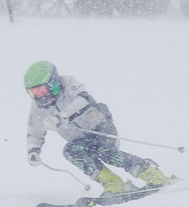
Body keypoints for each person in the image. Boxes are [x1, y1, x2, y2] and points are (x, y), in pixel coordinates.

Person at [24, 61, 174, 195]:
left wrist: (61, 117)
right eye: (33, 92)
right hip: (80, 138)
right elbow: (34, 131)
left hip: (100, 127)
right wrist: (33, 150)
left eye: (41, 90)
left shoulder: (69, 83)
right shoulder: (38, 107)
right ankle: (114, 184)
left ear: (53, 83)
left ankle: (152, 174)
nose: (39, 96)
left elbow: (84, 99)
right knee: (71, 151)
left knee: (106, 153)